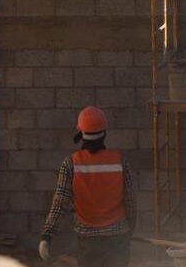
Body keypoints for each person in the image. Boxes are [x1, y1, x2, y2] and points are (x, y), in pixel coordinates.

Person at [39, 106, 137, 267]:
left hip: (88, 242)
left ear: (81, 134)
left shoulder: (71, 164)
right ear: (104, 133)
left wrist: (47, 236)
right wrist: (129, 230)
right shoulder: (120, 162)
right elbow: (131, 202)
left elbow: (59, 204)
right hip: (118, 238)